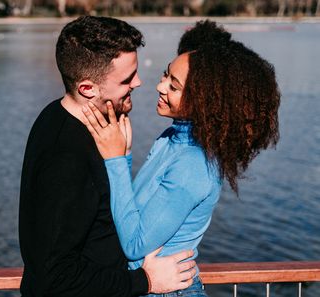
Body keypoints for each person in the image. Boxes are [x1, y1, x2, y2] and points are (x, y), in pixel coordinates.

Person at [82, 20, 281, 297]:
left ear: (203, 101)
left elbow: (135, 244)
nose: (159, 87)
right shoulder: (171, 138)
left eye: (173, 86)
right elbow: (135, 212)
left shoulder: (194, 164)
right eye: (165, 75)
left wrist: (115, 160)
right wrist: (124, 156)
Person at [18, 16, 197, 297]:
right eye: (126, 79)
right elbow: (54, 276)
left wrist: (120, 158)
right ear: (87, 88)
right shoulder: (66, 156)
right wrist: (145, 282)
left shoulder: (57, 114)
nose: (138, 83)